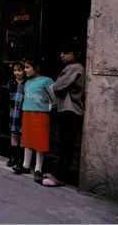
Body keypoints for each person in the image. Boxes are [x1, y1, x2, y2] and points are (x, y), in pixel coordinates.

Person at [42, 40, 85, 187]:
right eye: (62, 52)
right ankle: (58, 174)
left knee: (66, 145)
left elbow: (58, 87)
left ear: (76, 55)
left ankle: (60, 176)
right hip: (68, 110)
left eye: (66, 53)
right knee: (65, 144)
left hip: (70, 110)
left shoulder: (74, 68)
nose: (62, 56)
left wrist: (56, 84)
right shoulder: (74, 68)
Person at [13, 58, 54, 184]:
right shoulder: (28, 83)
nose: (25, 70)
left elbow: (54, 97)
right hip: (27, 113)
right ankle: (25, 165)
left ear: (36, 68)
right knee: (28, 139)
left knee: (40, 141)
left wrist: (49, 109)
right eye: (24, 67)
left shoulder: (47, 81)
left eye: (27, 67)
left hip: (41, 114)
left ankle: (38, 169)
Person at [5, 60, 26, 167]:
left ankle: (21, 159)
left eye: (19, 70)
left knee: (22, 135)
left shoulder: (27, 83)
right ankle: (13, 157)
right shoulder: (11, 83)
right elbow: (7, 98)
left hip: (23, 113)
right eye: (15, 70)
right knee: (14, 134)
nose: (17, 72)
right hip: (13, 112)